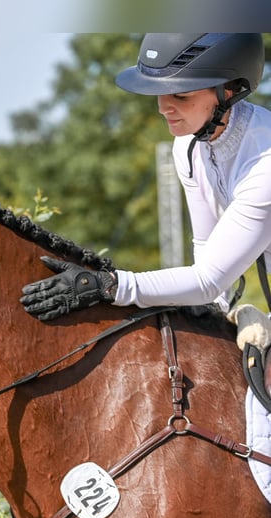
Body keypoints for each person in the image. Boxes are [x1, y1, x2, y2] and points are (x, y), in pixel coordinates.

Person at [21, 33, 270, 328]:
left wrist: (108, 286)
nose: (163, 108)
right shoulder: (188, 145)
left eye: (180, 95)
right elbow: (206, 250)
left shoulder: (265, 163)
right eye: (159, 93)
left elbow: (207, 280)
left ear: (227, 92)